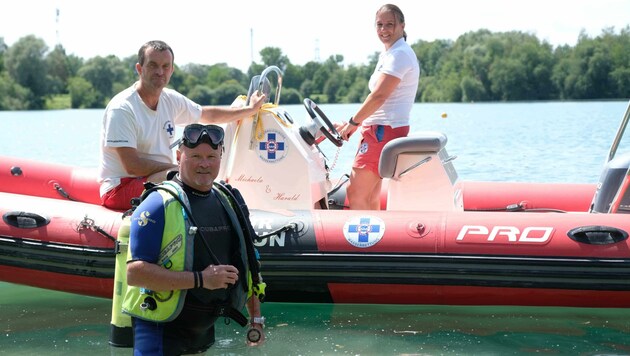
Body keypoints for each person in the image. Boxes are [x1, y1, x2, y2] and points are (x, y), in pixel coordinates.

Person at [123, 123, 265, 355]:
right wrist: (201, 279)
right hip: (159, 332)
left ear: (221, 156)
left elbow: (249, 262)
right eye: (195, 156)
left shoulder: (228, 200)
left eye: (211, 156)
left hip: (203, 330)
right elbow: (135, 273)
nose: (204, 164)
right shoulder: (157, 204)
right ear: (179, 156)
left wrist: (256, 318)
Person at [99, 40, 266, 211]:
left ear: (171, 70)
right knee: (179, 176)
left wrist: (249, 110)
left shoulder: (169, 99)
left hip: (155, 178)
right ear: (140, 69)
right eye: (153, 65)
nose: (159, 71)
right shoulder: (122, 108)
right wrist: (177, 167)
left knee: (196, 171)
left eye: (165, 66)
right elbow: (132, 166)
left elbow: (208, 115)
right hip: (120, 188)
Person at [336, 4, 420, 210]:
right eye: (379, 25)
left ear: (402, 25)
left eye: (389, 24)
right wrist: (356, 124)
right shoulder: (390, 53)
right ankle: (375, 241)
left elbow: (379, 96)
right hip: (380, 130)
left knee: (355, 193)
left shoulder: (399, 54)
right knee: (371, 195)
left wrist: (353, 122)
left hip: (382, 131)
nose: (384, 30)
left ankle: (360, 242)